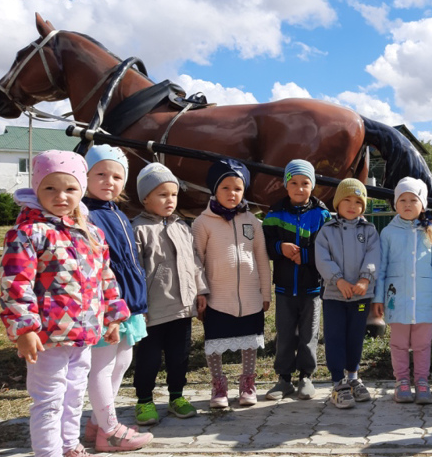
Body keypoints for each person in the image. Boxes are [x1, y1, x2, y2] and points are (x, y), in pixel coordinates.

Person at [0, 150, 130, 457]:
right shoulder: (28, 233)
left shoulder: (89, 232)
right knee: (49, 399)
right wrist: (24, 329)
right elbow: (16, 283)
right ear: (36, 190)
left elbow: (105, 278)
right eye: (50, 189)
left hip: (83, 333)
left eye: (70, 189)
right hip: (47, 338)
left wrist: (112, 316)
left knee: (73, 395)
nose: (61, 197)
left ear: (81, 188)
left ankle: (69, 448)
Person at [83, 145, 153, 452]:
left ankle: (99, 423)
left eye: (116, 176)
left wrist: (139, 303)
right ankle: (109, 429)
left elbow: (132, 262)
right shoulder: (84, 214)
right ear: (84, 176)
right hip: (104, 304)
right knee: (103, 363)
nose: (108, 181)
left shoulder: (120, 215)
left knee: (122, 360)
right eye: (100, 174)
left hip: (129, 302)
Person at [131, 163, 209, 423]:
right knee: (148, 359)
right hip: (152, 312)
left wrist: (201, 291)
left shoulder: (182, 227)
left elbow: (195, 262)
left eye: (173, 194)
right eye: (162, 194)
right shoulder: (138, 230)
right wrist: (138, 307)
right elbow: (134, 272)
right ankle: (144, 401)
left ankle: (177, 396)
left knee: (179, 357)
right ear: (145, 197)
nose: (170, 200)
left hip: (182, 307)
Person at [192, 159, 272, 408]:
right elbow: (196, 261)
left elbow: (262, 259)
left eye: (237, 188)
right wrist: (200, 292)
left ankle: (247, 384)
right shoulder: (202, 223)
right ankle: (218, 386)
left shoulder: (253, 223)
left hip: (250, 298)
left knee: (250, 342)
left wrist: (266, 292)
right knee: (215, 343)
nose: (232, 193)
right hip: (218, 298)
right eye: (225, 188)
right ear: (214, 190)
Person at [372, 177, 432, 404]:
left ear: (423, 204)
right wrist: (378, 297)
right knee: (398, 343)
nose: (407, 204)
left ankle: (422, 381)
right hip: (395, 300)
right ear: (395, 204)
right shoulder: (388, 233)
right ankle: (402, 381)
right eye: (402, 199)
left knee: (422, 344)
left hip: (425, 303)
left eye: (413, 199)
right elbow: (382, 267)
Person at [263, 159, 331, 400]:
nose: (299, 188)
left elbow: (327, 250)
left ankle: (306, 377)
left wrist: (305, 255)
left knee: (309, 334)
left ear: (313, 186)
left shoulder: (322, 215)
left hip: (311, 287)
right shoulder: (274, 214)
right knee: (284, 333)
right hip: (283, 288)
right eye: (293, 182)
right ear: (285, 184)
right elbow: (265, 246)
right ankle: (283, 380)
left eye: (305, 183)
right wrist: (279, 247)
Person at [315, 178, 381, 408]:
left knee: (355, 337)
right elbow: (322, 259)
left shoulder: (370, 230)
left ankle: (353, 378)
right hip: (334, 296)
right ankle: (337, 383)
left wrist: (365, 279)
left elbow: (374, 256)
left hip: (360, 296)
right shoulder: (327, 231)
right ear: (337, 203)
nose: (353, 206)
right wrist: (338, 280)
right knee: (335, 338)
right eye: (347, 200)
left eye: (358, 201)